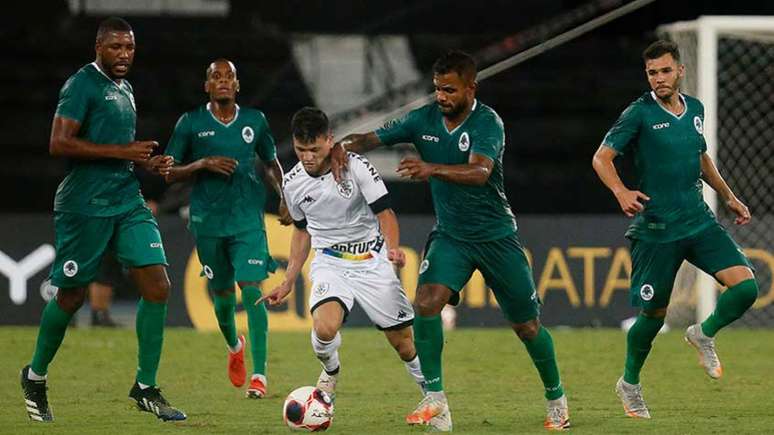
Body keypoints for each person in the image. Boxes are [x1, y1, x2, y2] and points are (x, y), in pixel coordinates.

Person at [330, 50, 569, 431]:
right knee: (425, 303)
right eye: (437, 89)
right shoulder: (423, 119)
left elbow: (479, 172)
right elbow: (371, 137)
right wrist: (339, 148)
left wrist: (430, 168)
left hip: (496, 237)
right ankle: (435, 398)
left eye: (450, 90)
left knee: (526, 327)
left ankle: (557, 398)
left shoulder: (488, 122)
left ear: (471, 88)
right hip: (451, 236)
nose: (441, 96)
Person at [21, 17, 186, 422]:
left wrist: (146, 162)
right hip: (84, 204)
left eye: (129, 48)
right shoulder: (81, 85)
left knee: (158, 285)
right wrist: (123, 152)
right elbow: (58, 143)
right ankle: (35, 376)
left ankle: (145, 386)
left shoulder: (125, 89)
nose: (124, 55)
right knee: (71, 296)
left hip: (126, 199)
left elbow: (120, 150)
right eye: (116, 47)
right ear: (98, 47)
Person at [592, 40, 758, 419]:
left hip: (698, 221)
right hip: (656, 229)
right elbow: (601, 158)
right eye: (652, 72)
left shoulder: (695, 110)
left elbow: (700, 157)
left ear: (680, 71)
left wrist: (729, 196)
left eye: (665, 71)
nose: (659, 79)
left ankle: (703, 333)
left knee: (746, 287)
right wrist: (620, 191)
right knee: (652, 317)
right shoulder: (638, 113)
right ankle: (629, 384)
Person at [260, 107, 427, 406]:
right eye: (300, 150)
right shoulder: (293, 183)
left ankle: (432, 396)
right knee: (324, 328)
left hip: (371, 259)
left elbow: (385, 213)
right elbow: (301, 231)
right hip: (330, 261)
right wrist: (287, 280)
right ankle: (330, 371)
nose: (307, 157)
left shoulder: (357, 167)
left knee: (403, 345)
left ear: (329, 140)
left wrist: (392, 248)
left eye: (314, 149)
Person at [164, 59, 288, 399]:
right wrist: (203, 163)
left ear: (237, 85)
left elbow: (272, 162)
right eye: (215, 76)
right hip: (208, 220)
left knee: (252, 288)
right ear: (207, 86)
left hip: (247, 217)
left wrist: (284, 198)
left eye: (228, 76)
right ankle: (235, 346)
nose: (222, 81)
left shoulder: (254, 121)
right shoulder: (190, 123)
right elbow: (168, 171)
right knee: (220, 297)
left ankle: (260, 376)